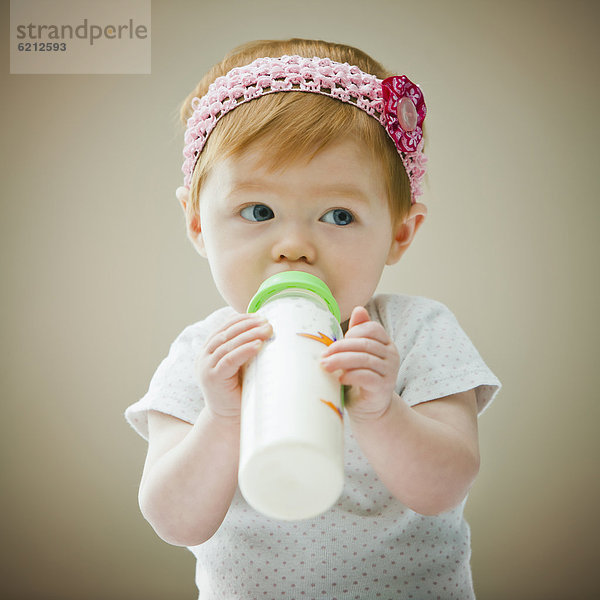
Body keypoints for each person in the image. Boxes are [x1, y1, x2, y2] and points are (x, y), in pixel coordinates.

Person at [125, 38, 501, 599]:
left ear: (400, 232)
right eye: (258, 212)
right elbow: (174, 521)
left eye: (338, 215)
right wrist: (223, 416)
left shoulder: (414, 334)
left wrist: (381, 412)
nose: (295, 247)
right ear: (198, 223)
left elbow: (445, 486)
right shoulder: (204, 355)